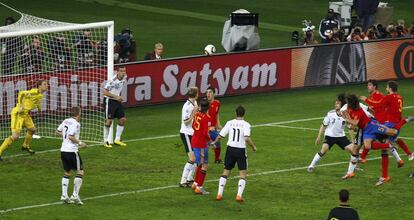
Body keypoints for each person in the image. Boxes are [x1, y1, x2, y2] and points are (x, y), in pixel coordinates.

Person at [212, 105, 257, 202]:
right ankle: (239, 195)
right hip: (240, 150)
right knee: (242, 173)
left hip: (230, 149)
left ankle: (219, 194)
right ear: (244, 114)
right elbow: (247, 138)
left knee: (226, 171)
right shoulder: (246, 124)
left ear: (235, 113)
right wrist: (253, 147)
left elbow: (220, 135)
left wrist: (214, 142)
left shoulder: (230, 123)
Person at [307, 94, 357, 179]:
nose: (335, 105)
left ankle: (351, 170)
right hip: (330, 136)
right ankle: (311, 165)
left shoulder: (346, 115)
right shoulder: (330, 113)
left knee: (353, 150)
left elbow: (350, 128)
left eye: (337, 103)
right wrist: (319, 137)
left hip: (341, 137)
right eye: (335, 103)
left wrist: (353, 140)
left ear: (342, 105)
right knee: (324, 150)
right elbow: (323, 125)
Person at [0, 80, 48, 161]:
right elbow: (21, 93)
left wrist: (39, 108)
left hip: (25, 115)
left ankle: (25, 145)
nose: (47, 85)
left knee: (32, 130)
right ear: (39, 86)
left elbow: (37, 101)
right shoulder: (34, 92)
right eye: (45, 84)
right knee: (15, 136)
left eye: (47, 84)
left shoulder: (40, 94)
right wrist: (21, 105)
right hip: (18, 114)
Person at [57, 106, 87, 205]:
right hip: (72, 151)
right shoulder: (76, 124)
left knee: (67, 172)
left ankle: (64, 195)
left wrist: (64, 136)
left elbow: (57, 131)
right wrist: (80, 143)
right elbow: (71, 136)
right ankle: (74, 195)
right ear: (79, 113)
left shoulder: (66, 121)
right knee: (80, 172)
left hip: (63, 150)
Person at [103, 65, 128, 148]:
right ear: (117, 72)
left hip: (117, 100)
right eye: (121, 71)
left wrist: (118, 97)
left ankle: (117, 139)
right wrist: (116, 97)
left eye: (124, 71)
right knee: (108, 122)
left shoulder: (125, 77)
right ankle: (105, 141)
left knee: (123, 119)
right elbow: (105, 92)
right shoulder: (112, 80)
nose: (123, 73)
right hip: (109, 101)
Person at [179, 87, 199, 187]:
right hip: (186, 133)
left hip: (192, 133)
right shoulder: (188, 106)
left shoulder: (194, 103)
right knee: (192, 157)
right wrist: (194, 113)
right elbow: (186, 122)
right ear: (196, 94)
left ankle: (190, 178)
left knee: (197, 157)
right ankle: (183, 181)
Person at [191, 99, 212, 195]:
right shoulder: (207, 117)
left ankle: (195, 183)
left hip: (194, 140)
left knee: (200, 163)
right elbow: (205, 133)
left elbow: (192, 126)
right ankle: (199, 187)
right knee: (205, 165)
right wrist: (211, 141)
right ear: (207, 108)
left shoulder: (196, 114)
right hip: (202, 144)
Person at [206, 86, 222, 163]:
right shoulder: (204, 104)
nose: (208, 94)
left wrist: (218, 124)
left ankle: (217, 159)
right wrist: (208, 127)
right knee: (205, 147)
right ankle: (201, 163)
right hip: (205, 130)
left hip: (213, 129)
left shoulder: (217, 103)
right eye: (207, 92)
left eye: (210, 92)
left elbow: (217, 113)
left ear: (214, 94)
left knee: (218, 144)